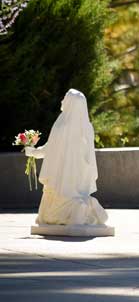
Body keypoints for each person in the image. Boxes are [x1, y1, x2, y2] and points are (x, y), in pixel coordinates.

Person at [24, 88, 108, 226]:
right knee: (69, 199)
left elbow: (49, 149)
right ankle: (83, 205)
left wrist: (33, 152)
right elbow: (89, 157)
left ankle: (78, 207)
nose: (62, 101)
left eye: (65, 98)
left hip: (60, 176)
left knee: (48, 216)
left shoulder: (61, 126)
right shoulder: (87, 127)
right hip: (79, 177)